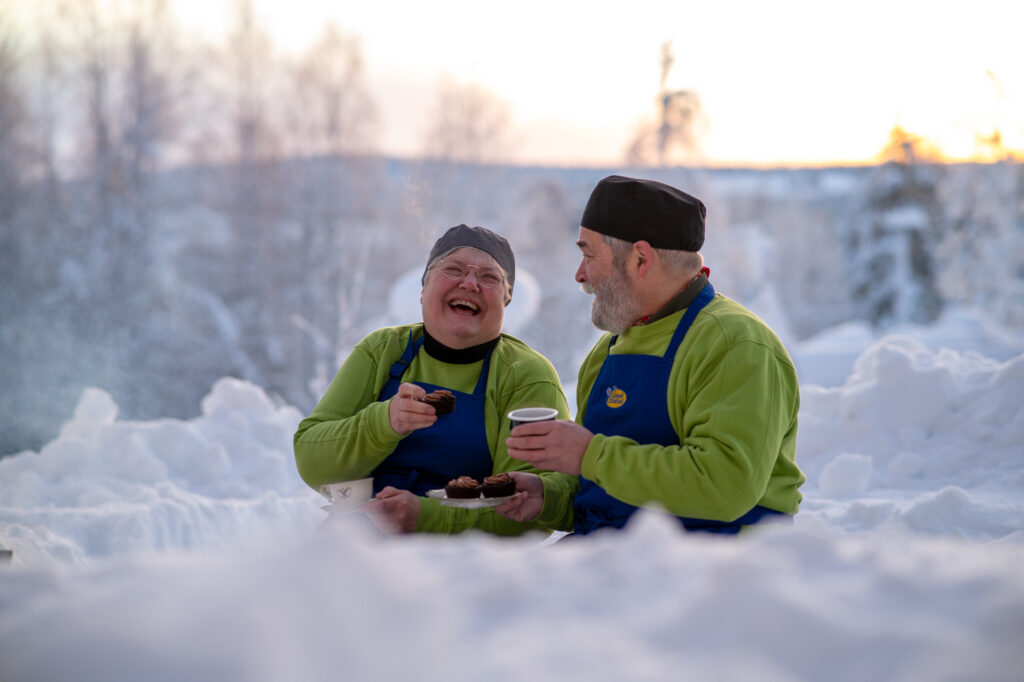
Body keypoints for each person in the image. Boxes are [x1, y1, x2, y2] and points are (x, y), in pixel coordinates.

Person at [497, 175, 805, 535]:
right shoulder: (609, 350)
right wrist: (546, 498)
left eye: (588, 255)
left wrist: (589, 455)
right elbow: (602, 487)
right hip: (613, 563)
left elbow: (725, 486)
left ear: (640, 258)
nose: (579, 275)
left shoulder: (735, 344)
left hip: (712, 574)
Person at [294, 224, 576, 535]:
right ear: (423, 289)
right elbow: (313, 464)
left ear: (506, 302)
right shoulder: (382, 351)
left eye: (489, 277)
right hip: (353, 547)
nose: (470, 283)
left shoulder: (526, 373)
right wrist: (383, 422)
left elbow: (528, 508)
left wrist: (426, 516)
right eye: (453, 269)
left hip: (459, 564)